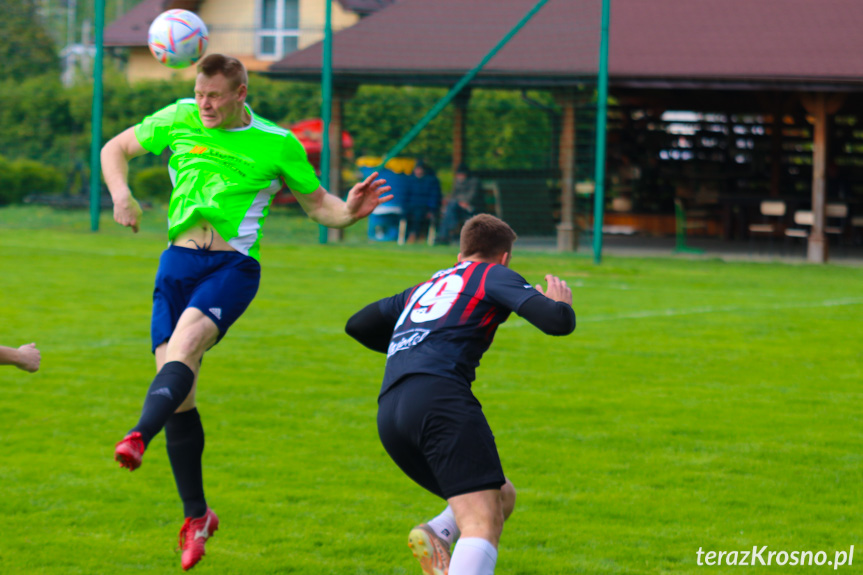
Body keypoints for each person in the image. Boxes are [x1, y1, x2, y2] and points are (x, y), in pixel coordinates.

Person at [100, 54, 391, 571]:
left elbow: (319, 204)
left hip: (231, 268)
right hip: (175, 266)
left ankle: (138, 436)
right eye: (199, 92)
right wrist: (122, 195)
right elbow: (115, 148)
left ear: (240, 92)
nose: (204, 104)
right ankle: (197, 516)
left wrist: (348, 212)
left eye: (214, 95)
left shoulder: (278, 143)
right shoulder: (177, 117)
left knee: (185, 347)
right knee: (181, 393)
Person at [345, 214, 575, 575]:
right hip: (439, 400)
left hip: (391, 410)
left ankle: (436, 532)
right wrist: (560, 303)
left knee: (500, 495)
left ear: (460, 254)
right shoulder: (492, 274)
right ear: (504, 257)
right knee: (481, 521)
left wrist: (412, 345)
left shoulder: (424, 287)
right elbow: (557, 322)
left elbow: (356, 324)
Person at [437, 164, 481, 244]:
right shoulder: (457, 182)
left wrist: (460, 201)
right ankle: (448, 234)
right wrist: (459, 202)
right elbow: (453, 195)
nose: (459, 176)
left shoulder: (474, 182)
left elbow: (471, 196)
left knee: (450, 210)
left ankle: (444, 235)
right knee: (450, 209)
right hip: (457, 208)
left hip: (470, 208)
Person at [403, 162, 441, 243]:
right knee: (406, 214)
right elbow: (406, 196)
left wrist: (432, 209)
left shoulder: (431, 181)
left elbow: (434, 197)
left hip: (425, 207)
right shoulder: (410, 180)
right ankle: (408, 235)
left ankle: (414, 235)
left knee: (418, 214)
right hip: (411, 206)